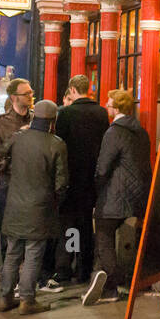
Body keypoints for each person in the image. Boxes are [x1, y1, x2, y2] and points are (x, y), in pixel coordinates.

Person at [81, 89, 153, 306]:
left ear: (117, 107)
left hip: (115, 194)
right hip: (137, 194)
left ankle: (111, 286)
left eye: (109, 102)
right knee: (121, 238)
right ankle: (103, 277)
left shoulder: (113, 132)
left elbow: (103, 167)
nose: (106, 104)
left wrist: (96, 190)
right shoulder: (140, 131)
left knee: (103, 236)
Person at [0, 100, 68, 315]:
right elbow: (61, 183)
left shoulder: (18, 138)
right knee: (33, 254)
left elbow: (2, 152)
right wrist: (56, 202)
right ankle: (27, 300)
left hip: (15, 205)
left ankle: (5, 297)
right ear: (52, 121)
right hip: (40, 207)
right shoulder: (57, 144)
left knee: (12, 254)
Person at [54, 75, 109, 286]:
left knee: (70, 226)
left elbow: (59, 146)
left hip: (71, 177)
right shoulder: (101, 113)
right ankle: (85, 269)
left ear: (73, 90)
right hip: (91, 179)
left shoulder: (66, 114)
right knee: (86, 224)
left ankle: (67, 266)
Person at [0, 78, 35, 282]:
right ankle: (6, 278)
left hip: (32, 186)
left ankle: (22, 277)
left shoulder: (36, 121)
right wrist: (10, 166)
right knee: (6, 231)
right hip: (8, 185)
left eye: (31, 93)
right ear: (14, 97)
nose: (30, 96)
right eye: (26, 94)